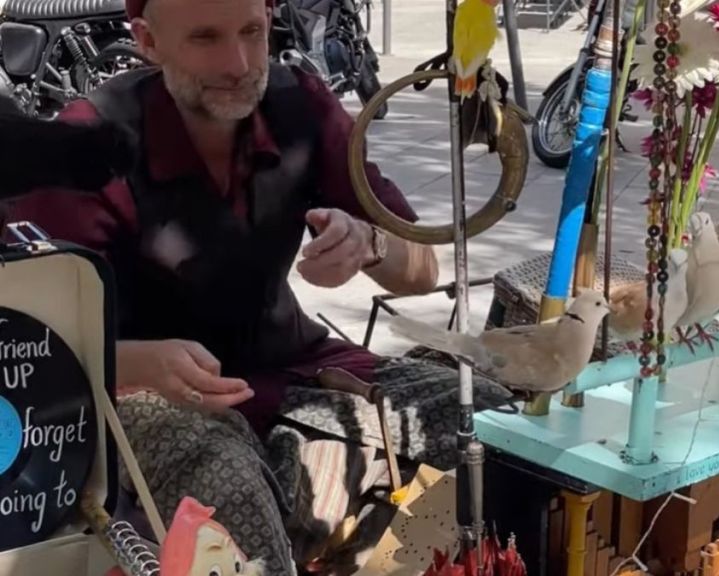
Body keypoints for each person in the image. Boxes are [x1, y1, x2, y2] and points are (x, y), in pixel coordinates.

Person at [8, 0, 511, 572]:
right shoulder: (91, 141)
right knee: (224, 481)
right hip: (137, 397)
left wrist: (371, 244)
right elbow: (29, 351)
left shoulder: (301, 106)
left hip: (290, 365)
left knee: (495, 426)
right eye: (205, 38)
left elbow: (422, 269)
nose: (240, 62)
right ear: (147, 41)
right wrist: (138, 364)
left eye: (252, 30)